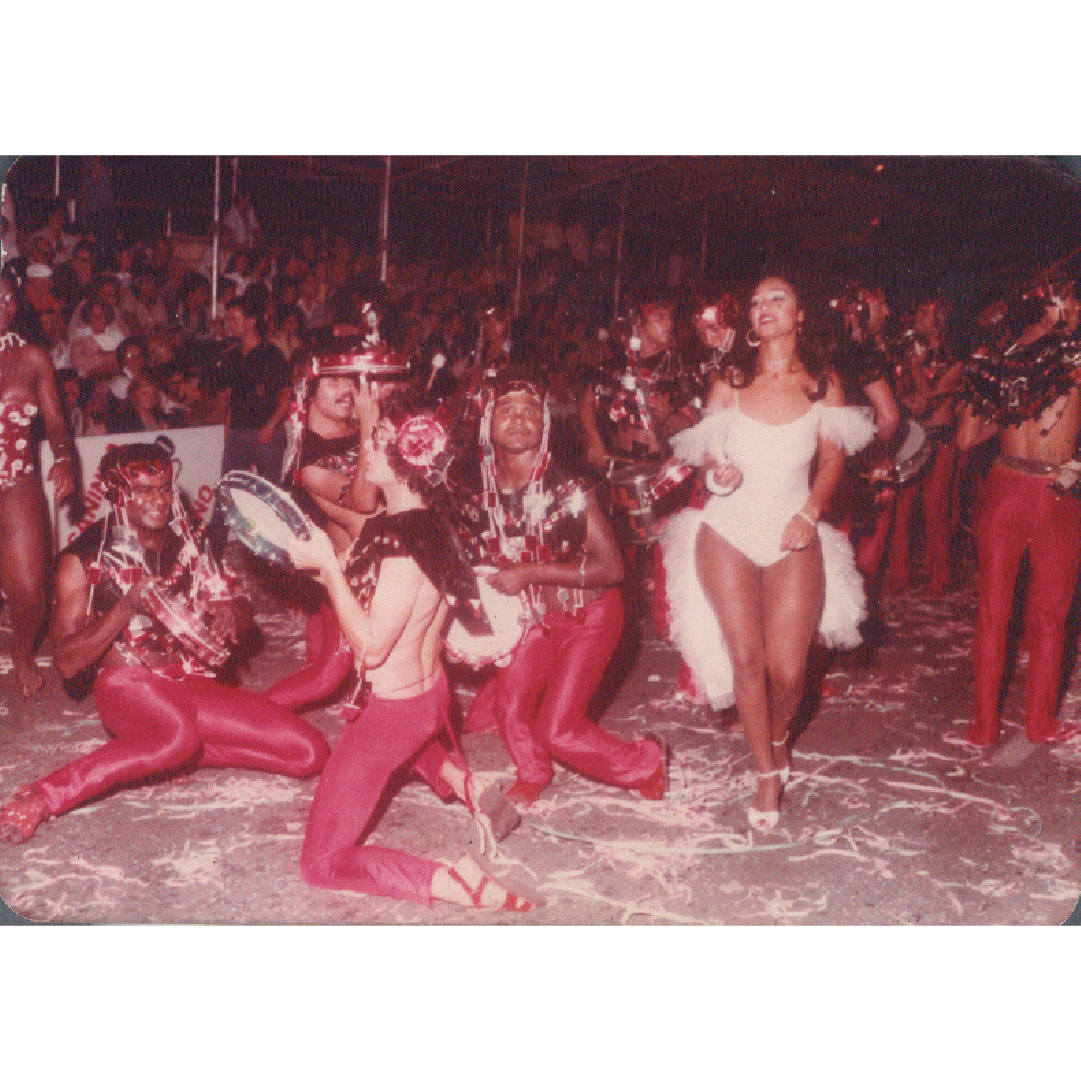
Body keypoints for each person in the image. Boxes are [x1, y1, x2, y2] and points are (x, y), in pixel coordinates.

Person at [0, 439, 330, 844]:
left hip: (193, 683)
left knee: (308, 753)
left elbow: (236, 603)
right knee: (176, 736)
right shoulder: (82, 559)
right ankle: (43, 796)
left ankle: (174, 755)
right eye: (143, 490)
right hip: (129, 688)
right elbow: (67, 664)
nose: (159, 500)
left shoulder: (192, 539)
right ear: (117, 494)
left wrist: (234, 612)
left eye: (165, 487)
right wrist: (125, 607)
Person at [286, 398, 530, 911]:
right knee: (403, 733)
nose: (363, 451)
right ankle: (465, 782)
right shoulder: (432, 524)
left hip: (393, 714)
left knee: (321, 863)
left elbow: (372, 650)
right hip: (430, 701)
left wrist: (329, 570)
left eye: (376, 442)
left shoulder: (400, 548)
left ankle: (449, 881)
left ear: (405, 460)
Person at [661, 272, 874, 829]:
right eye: (756, 302)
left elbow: (831, 463)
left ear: (801, 314)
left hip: (793, 528)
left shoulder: (822, 384)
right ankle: (764, 775)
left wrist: (809, 515)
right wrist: (719, 470)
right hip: (727, 529)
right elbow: (708, 455)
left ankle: (779, 736)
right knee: (747, 660)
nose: (765, 308)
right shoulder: (729, 378)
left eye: (777, 299)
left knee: (788, 668)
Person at [457, 370, 668, 808]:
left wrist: (531, 572)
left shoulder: (569, 485)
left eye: (530, 411)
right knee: (510, 710)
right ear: (486, 423)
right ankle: (532, 773)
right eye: (506, 410)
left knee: (559, 730)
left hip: (588, 616)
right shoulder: (475, 488)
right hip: (530, 618)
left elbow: (611, 569)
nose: (518, 419)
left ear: (546, 424)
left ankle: (647, 761)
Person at [955, 277, 1081, 746]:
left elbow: (966, 438)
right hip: (1055, 493)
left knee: (992, 611)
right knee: (1050, 615)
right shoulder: (1074, 356)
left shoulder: (999, 359)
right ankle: (1039, 724)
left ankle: (984, 727)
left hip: (1003, 487)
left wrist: (1012, 420)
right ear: (1063, 307)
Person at [0, 266, 78, 696]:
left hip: (17, 481)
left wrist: (64, 459)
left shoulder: (32, 357)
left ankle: (22, 649)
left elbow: (55, 422)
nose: (5, 308)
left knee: (32, 594)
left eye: (10, 299)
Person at [885, 295, 963, 594]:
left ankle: (939, 577)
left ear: (939, 320)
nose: (917, 313)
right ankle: (899, 575)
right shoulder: (907, 357)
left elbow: (930, 401)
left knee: (934, 508)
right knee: (902, 506)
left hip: (941, 438)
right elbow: (907, 398)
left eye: (924, 310)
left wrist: (916, 370)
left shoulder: (954, 363)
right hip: (912, 438)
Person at [215, 290, 293, 480]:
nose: (231, 325)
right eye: (228, 320)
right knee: (231, 486)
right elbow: (230, 395)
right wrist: (228, 429)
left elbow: (285, 395)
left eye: (235, 319)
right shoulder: (231, 356)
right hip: (237, 433)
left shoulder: (272, 354)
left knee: (268, 489)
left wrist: (271, 426)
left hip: (266, 432)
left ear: (251, 321)